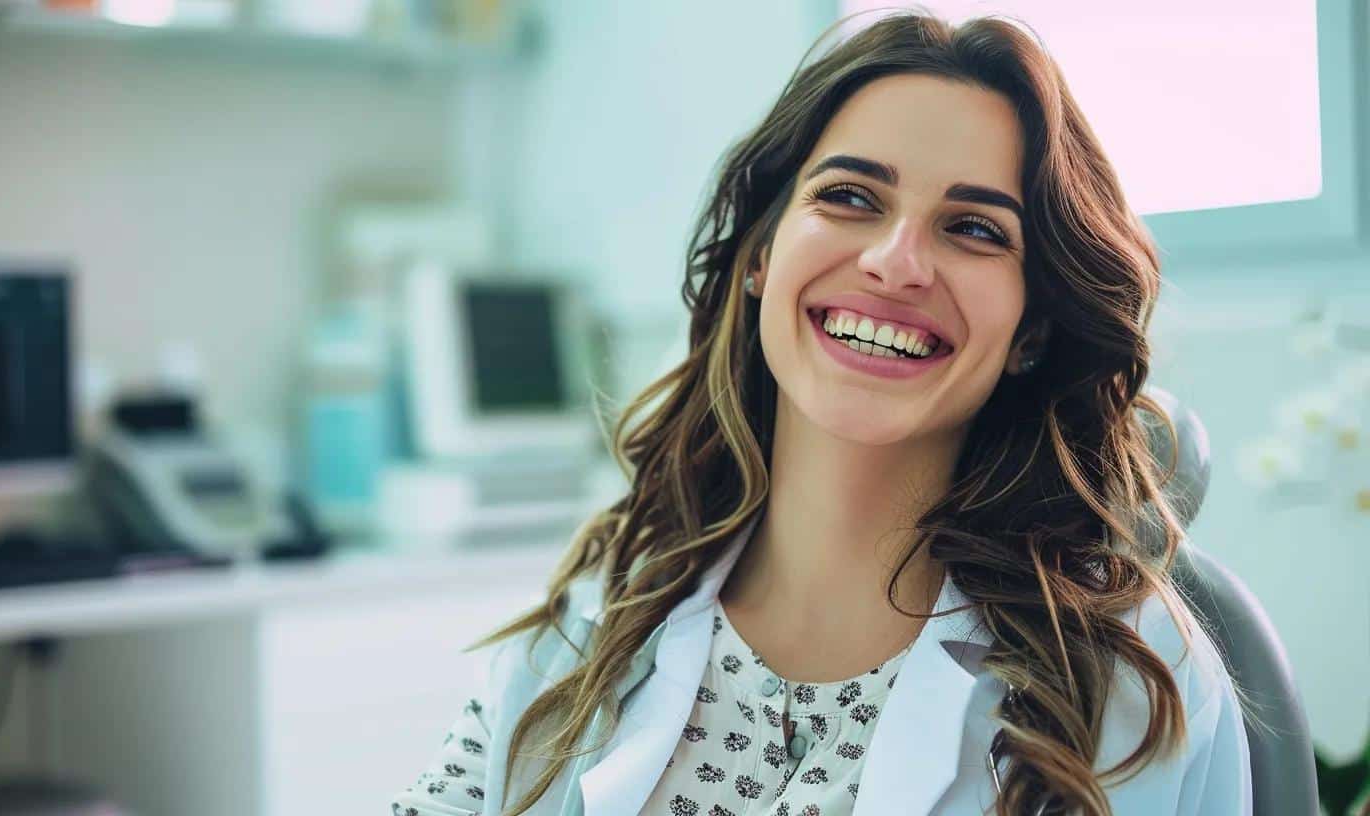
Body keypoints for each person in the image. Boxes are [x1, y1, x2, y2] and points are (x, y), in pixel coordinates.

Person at [393, 8, 1255, 816]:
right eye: (849, 197)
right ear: (763, 253)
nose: (896, 261)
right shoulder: (587, 632)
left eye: (975, 229)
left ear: (1032, 327)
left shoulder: (1128, 692)